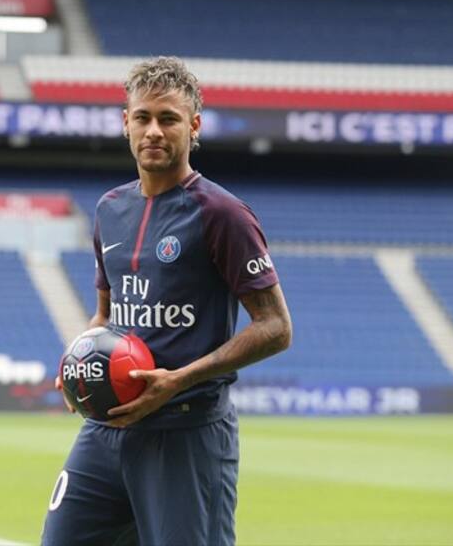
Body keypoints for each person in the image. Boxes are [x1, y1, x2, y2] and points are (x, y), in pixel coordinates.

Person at [42, 56, 292, 546]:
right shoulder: (109, 208)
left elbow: (276, 327)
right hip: (107, 427)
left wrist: (177, 381)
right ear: (126, 123)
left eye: (168, 118)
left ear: (193, 126)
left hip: (186, 431)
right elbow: (106, 314)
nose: (154, 131)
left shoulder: (222, 214)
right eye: (143, 117)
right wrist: (80, 362)